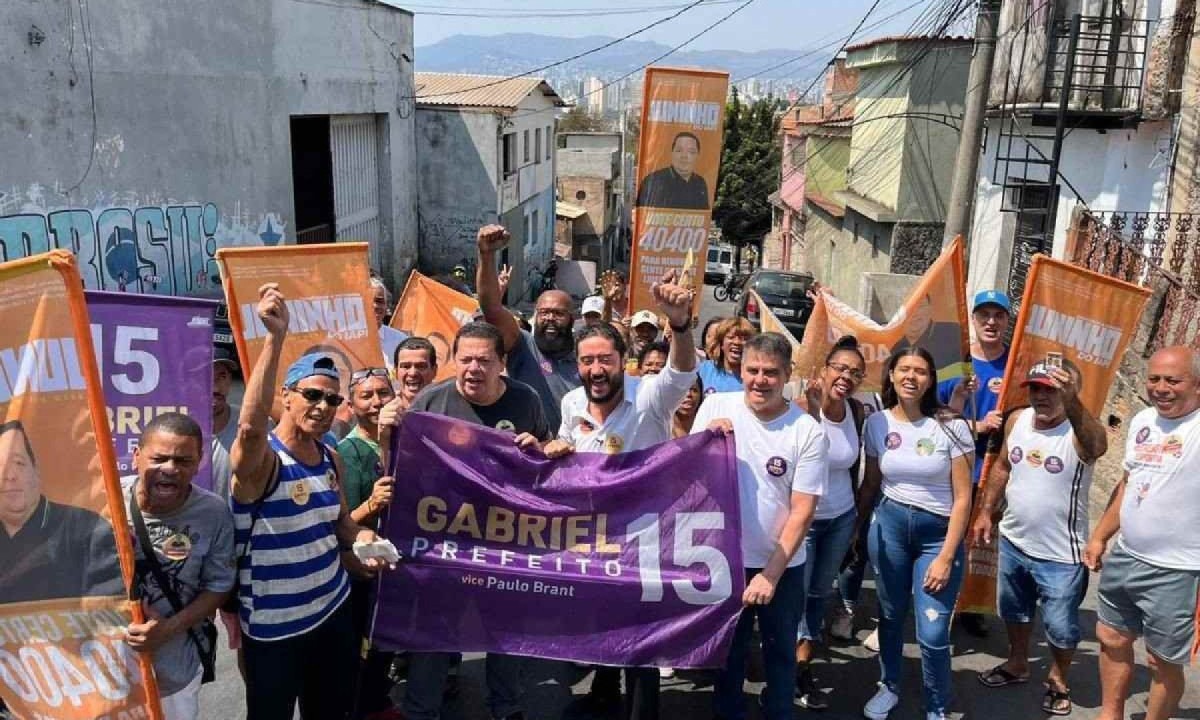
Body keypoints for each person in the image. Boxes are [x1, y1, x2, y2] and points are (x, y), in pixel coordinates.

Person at [230, 283, 390, 720]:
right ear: (286, 396)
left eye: (332, 398)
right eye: (312, 394)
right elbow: (247, 429)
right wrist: (275, 338)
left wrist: (366, 540)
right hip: (275, 631)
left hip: (334, 613)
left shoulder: (329, 457)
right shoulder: (263, 461)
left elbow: (341, 524)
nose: (323, 406)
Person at [545, 270, 698, 720]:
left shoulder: (650, 397)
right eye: (587, 361)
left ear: (623, 359)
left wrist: (682, 325)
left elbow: (683, 370)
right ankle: (603, 695)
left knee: (642, 637)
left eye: (605, 360)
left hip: (645, 537)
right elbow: (569, 453)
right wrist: (556, 450)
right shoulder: (572, 403)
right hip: (593, 537)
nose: (596, 370)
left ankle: (641, 711)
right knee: (602, 624)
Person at [402, 322, 552, 720]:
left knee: (504, 632)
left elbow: (549, 452)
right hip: (443, 543)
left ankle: (506, 708)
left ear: (502, 363)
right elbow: (405, 469)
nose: (473, 368)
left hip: (504, 541)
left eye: (484, 360)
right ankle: (421, 711)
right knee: (433, 635)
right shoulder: (429, 403)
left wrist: (541, 450)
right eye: (465, 359)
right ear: (453, 360)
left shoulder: (526, 400)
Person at [690, 332, 826, 720]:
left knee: (780, 651)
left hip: (780, 565)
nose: (760, 380)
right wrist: (705, 440)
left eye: (771, 372)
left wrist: (769, 575)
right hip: (724, 559)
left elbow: (803, 510)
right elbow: (689, 473)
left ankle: (779, 712)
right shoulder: (716, 405)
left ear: (787, 376)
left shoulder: (807, 431)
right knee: (727, 653)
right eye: (753, 370)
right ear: (741, 369)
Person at [970, 359, 1107, 716]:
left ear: (1071, 393)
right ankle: (1018, 663)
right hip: (1015, 541)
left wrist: (1073, 402)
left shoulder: (1079, 432)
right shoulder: (1017, 420)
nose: (1042, 396)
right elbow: (1002, 466)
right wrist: (986, 511)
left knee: (1060, 628)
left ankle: (1059, 679)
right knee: (1014, 612)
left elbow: (1098, 446)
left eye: (1052, 389)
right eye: (1036, 387)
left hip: (1061, 555)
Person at [1085, 346, 1200, 720]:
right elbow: (1129, 484)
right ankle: (1110, 714)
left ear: (1197, 385)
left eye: (1173, 380)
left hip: (1179, 571)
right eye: (1154, 379)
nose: (1161, 388)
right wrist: (1100, 535)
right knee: (1112, 638)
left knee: (1161, 660)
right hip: (1127, 555)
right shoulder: (1143, 421)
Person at [859, 346, 973, 720]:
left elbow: (962, 498)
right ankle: (889, 686)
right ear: (890, 375)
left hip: (937, 536)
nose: (911, 377)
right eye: (903, 369)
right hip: (889, 527)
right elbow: (872, 483)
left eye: (920, 371)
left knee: (933, 633)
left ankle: (937, 705)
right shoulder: (876, 424)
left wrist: (945, 556)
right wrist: (855, 530)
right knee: (890, 616)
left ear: (930, 379)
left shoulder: (952, 426)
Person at [123, 413, 235, 720]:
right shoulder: (106, 499)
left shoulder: (213, 512)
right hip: (110, 674)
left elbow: (220, 586)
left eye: (183, 461)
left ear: (199, 462)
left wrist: (167, 630)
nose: (170, 469)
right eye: (159, 458)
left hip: (176, 671)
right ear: (136, 457)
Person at [792, 337, 869, 710]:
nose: (846, 376)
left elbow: (853, 467)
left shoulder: (856, 411)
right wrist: (814, 410)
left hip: (840, 518)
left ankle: (801, 658)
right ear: (824, 369)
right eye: (840, 368)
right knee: (797, 593)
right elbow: (793, 460)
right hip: (804, 521)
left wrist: (855, 520)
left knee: (820, 594)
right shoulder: (801, 406)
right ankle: (797, 669)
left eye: (855, 372)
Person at [937, 288, 1012, 638]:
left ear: (1008, 321)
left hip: (996, 472)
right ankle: (940, 603)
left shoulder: (1015, 365)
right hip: (954, 471)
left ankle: (970, 607)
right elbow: (930, 416)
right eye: (985, 315)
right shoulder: (955, 363)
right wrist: (976, 426)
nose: (991, 322)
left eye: (999, 316)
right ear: (974, 319)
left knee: (981, 546)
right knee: (948, 540)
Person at [336, 367, 404, 720]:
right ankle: (363, 707)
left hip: (393, 567)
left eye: (383, 393)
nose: (377, 402)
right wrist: (371, 505)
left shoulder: (402, 441)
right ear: (351, 405)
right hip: (360, 574)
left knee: (383, 643)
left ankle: (378, 700)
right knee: (361, 647)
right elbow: (339, 523)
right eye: (367, 396)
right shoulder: (347, 453)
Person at [0, 419, 123, 604]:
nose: (9, 476)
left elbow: (110, 611)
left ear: (36, 471)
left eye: (18, 463)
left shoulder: (88, 528)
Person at [476, 224, 580, 430]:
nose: (550, 318)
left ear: (573, 319)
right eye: (544, 312)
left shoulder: (586, 356)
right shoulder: (522, 346)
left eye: (558, 313)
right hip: (528, 449)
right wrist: (486, 255)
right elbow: (491, 307)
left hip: (574, 453)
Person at [634, 132, 709, 210]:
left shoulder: (700, 183)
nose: (684, 156)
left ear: (698, 156)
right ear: (672, 153)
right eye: (679, 150)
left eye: (691, 152)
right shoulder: (653, 181)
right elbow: (641, 214)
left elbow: (704, 216)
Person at [210, 347, 240, 500]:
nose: (215, 387)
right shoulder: (170, 427)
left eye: (222, 376)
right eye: (206, 376)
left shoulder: (251, 425)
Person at [698, 317, 755, 394]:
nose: (737, 343)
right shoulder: (703, 370)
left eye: (744, 339)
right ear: (721, 344)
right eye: (731, 337)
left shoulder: (755, 377)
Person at [371, 277, 409, 372]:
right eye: (368, 300)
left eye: (379, 301)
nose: (375, 306)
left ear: (386, 306)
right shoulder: (345, 340)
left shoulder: (401, 342)